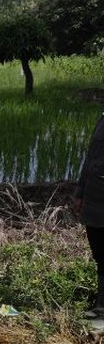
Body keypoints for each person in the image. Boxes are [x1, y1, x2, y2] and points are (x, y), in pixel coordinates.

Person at [75, 112, 104, 316]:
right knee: (100, 254)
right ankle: (100, 302)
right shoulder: (102, 120)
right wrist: (80, 193)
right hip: (94, 198)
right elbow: (89, 159)